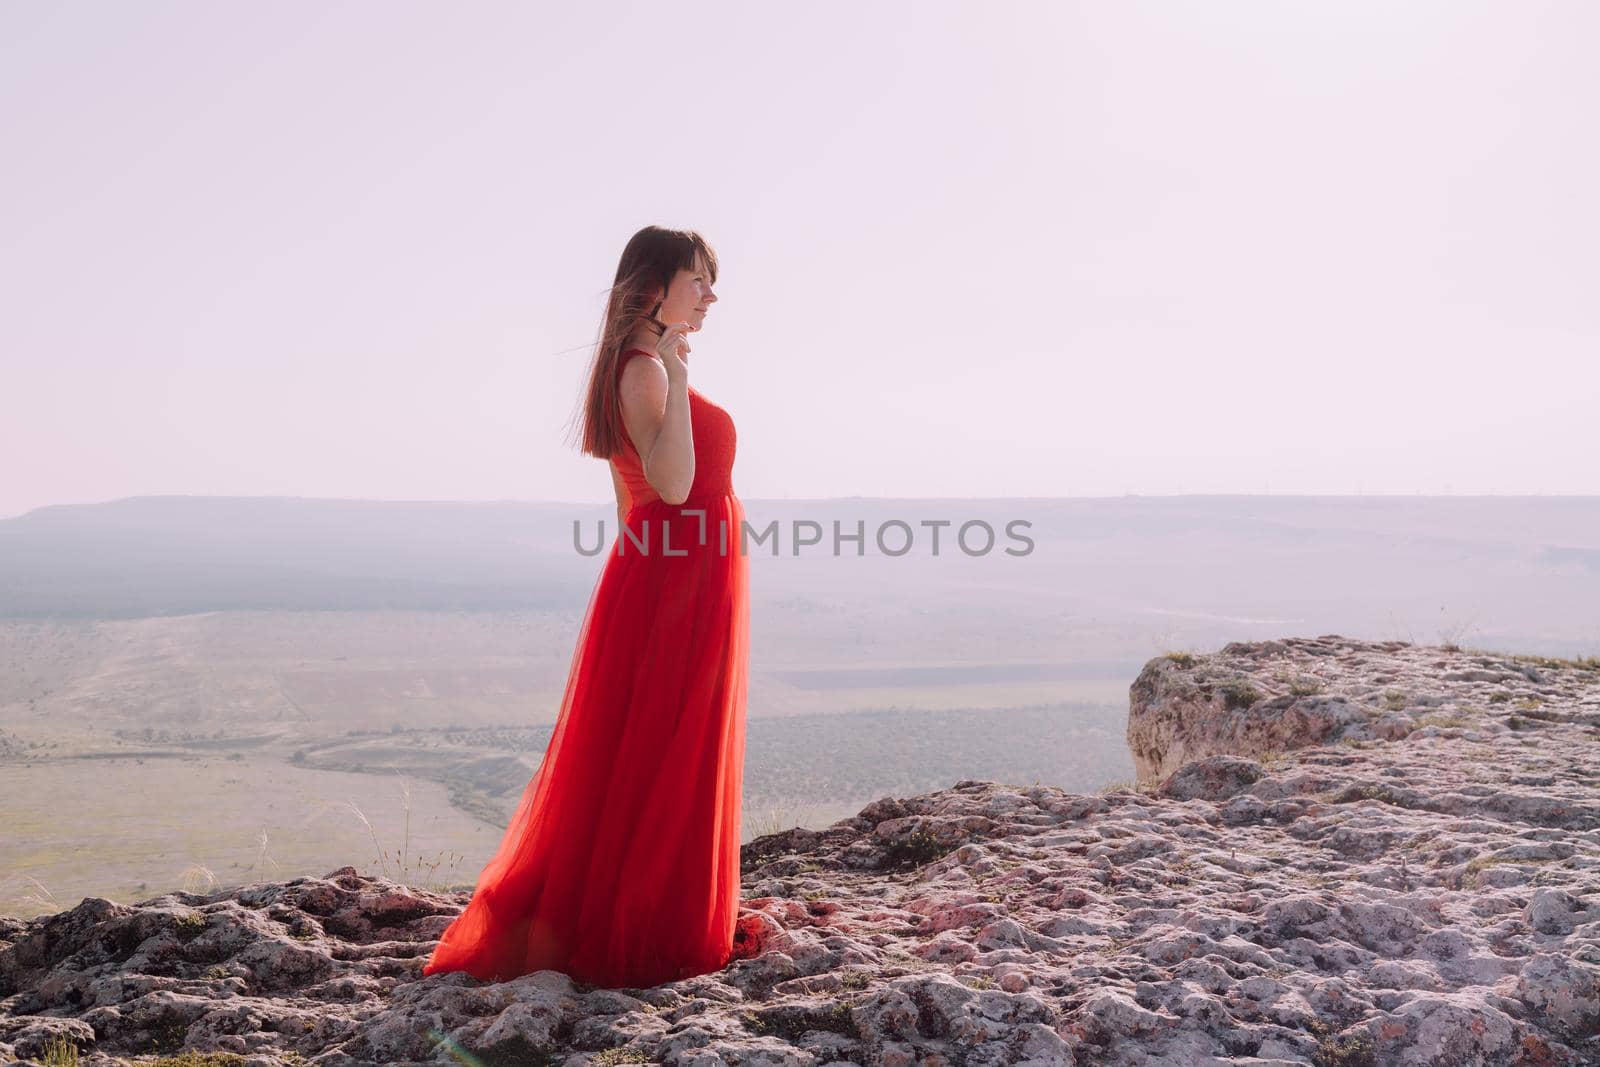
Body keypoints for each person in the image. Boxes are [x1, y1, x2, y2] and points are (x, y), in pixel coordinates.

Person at [421, 226, 749, 988]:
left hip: (673, 571)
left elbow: (629, 499)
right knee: (666, 743)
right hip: (678, 579)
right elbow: (668, 487)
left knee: (658, 741)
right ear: (655, 285)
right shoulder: (644, 369)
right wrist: (667, 359)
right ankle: (648, 923)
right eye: (699, 279)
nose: (710, 295)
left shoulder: (633, 365)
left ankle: (650, 903)